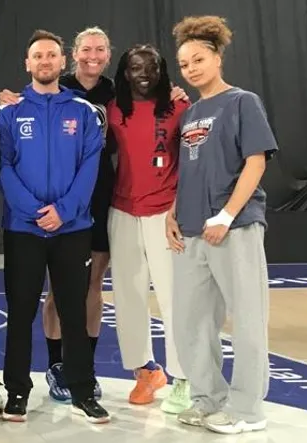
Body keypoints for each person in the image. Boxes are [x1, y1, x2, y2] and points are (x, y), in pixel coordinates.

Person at [0, 27, 186, 402]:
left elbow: (154, 110)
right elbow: (5, 153)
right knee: (55, 294)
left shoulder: (117, 94)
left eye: (100, 49)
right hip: (58, 210)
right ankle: (58, 366)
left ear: (107, 55)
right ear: (73, 54)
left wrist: (176, 92)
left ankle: (88, 368)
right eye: (86, 49)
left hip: (94, 203)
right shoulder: (50, 89)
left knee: (91, 289)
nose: (92, 55)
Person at [166, 16, 276, 435]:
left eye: (198, 59)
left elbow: (256, 161)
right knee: (191, 322)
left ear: (217, 56)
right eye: (184, 63)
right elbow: (191, 169)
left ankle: (248, 410)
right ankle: (207, 399)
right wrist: (174, 212)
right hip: (192, 230)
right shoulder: (192, 112)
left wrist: (227, 214)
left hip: (235, 228)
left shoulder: (241, 101)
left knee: (247, 319)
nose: (191, 68)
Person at [0, 29, 110, 424]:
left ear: (63, 62)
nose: (45, 61)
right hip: (24, 230)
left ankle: (81, 389)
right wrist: (32, 211)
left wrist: (64, 210)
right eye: (37, 56)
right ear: (27, 64)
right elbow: (2, 168)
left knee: (73, 312)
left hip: (72, 228)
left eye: (51, 56)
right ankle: (17, 392)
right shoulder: (9, 114)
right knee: (21, 311)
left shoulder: (82, 111)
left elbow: (90, 165)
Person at [106, 45, 192, 413]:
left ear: (162, 70)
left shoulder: (179, 107)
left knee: (175, 298)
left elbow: (192, 162)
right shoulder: (113, 110)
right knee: (128, 296)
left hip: (166, 215)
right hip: (122, 210)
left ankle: (184, 378)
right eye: (135, 67)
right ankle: (146, 371)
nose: (144, 73)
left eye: (151, 66)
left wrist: (178, 209)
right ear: (124, 73)